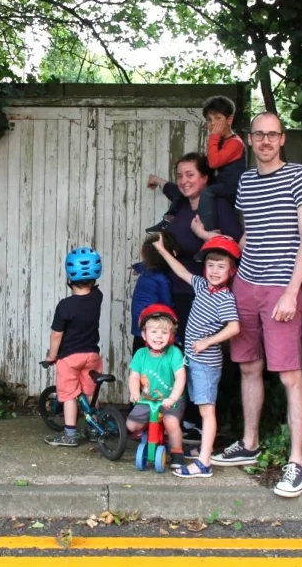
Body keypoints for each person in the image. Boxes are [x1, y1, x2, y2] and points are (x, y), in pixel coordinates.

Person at [212, 112, 302, 500]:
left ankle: (297, 462)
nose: (266, 141)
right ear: (251, 139)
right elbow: (251, 232)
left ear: (282, 139)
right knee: (248, 367)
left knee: (290, 374)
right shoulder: (246, 181)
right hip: (245, 286)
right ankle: (250, 442)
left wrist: (293, 290)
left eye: (273, 135)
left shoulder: (299, 176)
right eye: (260, 134)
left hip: (280, 289)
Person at [147, 153, 243, 444]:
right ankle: (187, 420)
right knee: (184, 356)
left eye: (191, 175)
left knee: (209, 358)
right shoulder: (182, 204)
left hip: (209, 296)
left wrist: (202, 234)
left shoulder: (217, 205)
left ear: (205, 179)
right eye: (180, 175)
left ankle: (214, 422)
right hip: (181, 291)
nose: (184, 181)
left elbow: (233, 245)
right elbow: (172, 189)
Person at [153, 234, 241, 479]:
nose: (214, 270)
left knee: (206, 410)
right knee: (199, 406)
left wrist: (207, 342)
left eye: (221, 266)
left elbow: (234, 327)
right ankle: (205, 449)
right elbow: (182, 272)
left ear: (231, 271)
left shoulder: (225, 298)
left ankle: (204, 462)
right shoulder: (203, 286)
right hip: (193, 359)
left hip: (206, 363)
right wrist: (162, 250)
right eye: (210, 265)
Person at [147, 96, 246, 233]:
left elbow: (213, 162)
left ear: (229, 119)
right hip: (221, 183)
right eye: (209, 120)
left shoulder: (235, 142)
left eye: (218, 119)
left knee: (207, 191)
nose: (212, 124)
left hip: (232, 187)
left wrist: (213, 137)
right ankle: (169, 218)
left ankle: (210, 230)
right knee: (184, 191)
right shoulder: (221, 141)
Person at [43, 247, 104, 447]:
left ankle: (69, 434)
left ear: (69, 277)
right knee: (89, 391)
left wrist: (52, 356)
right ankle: (95, 429)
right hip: (92, 355)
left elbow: (57, 334)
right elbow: (93, 290)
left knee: (69, 394)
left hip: (70, 358)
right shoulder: (97, 297)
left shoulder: (65, 306)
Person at [126, 303, 187, 470]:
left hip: (170, 401)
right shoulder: (140, 354)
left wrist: (173, 398)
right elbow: (134, 376)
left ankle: (177, 452)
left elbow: (180, 378)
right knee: (131, 426)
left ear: (171, 336)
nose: (159, 336)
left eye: (164, 332)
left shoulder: (174, 353)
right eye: (153, 332)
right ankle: (149, 432)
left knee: (171, 422)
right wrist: (134, 392)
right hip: (148, 401)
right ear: (144, 335)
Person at [129, 232, 178, 356]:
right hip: (151, 325)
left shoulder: (146, 270)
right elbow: (167, 307)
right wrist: (177, 338)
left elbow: (141, 265)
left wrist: (136, 266)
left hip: (138, 322)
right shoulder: (162, 279)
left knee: (139, 357)